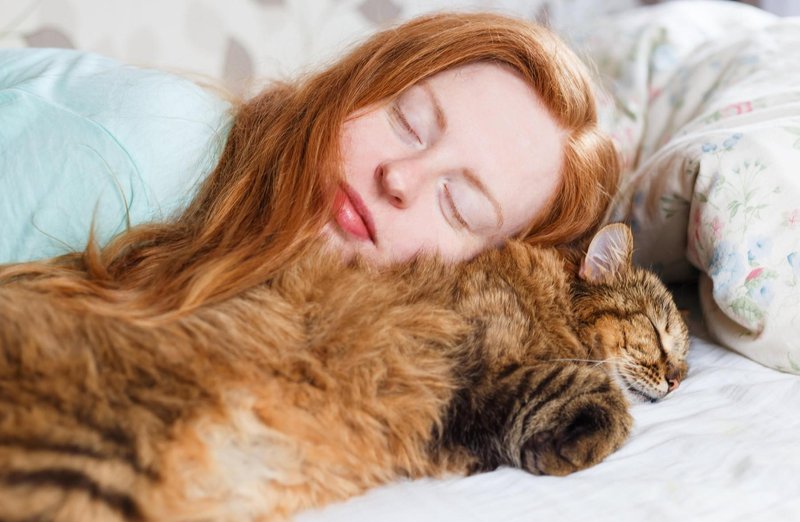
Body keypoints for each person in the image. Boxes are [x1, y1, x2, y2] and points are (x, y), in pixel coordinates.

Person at [2, 12, 619, 317]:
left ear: (480, 271)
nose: (401, 177)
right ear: (357, 86)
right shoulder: (140, 157)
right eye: (408, 122)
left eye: (459, 206)